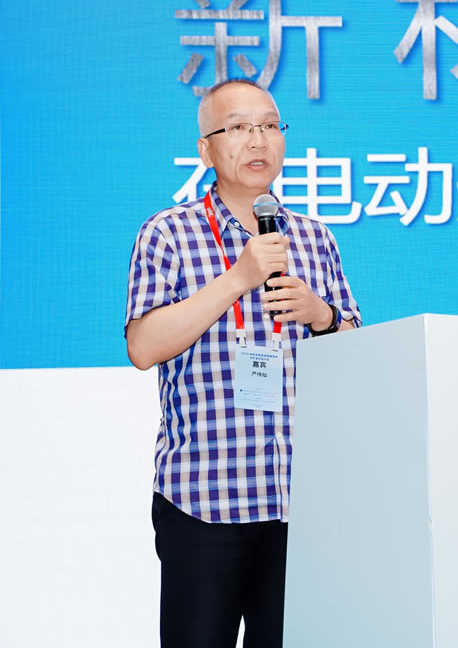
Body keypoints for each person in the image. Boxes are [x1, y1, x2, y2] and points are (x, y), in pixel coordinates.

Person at [124, 78, 360, 648]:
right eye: (238, 127)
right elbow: (143, 346)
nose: (258, 140)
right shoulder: (168, 234)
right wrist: (238, 278)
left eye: (270, 126)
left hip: (302, 506)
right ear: (206, 150)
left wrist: (322, 315)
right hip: (204, 501)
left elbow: (358, 350)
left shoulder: (315, 237)